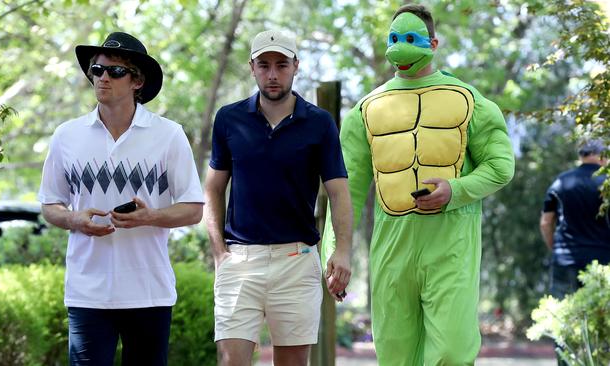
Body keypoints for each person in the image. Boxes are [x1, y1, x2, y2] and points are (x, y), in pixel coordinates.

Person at [321, 4, 515, 365]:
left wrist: (455, 191)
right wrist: (336, 252)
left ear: (434, 43)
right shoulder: (365, 111)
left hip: (450, 247)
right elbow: (345, 189)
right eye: (394, 39)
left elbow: (501, 166)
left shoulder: (470, 102)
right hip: (392, 250)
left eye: (410, 39)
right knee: (395, 353)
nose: (400, 48)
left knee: (452, 353)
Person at [38, 32, 204, 366]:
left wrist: (150, 217)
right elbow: (49, 205)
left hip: (149, 292)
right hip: (87, 293)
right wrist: (72, 219)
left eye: (115, 71)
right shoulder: (66, 136)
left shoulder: (168, 135)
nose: (102, 77)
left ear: (137, 81)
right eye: (97, 69)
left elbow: (194, 209)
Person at [204, 29, 352, 366]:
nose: (273, 74)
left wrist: (342, 250)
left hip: (296, 260)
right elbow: (213, 187)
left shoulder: (319, 123)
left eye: (281, 65)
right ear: (252, 67)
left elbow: (339, 193)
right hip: (239, 261)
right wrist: (218, 253)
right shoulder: (229, 118)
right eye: (264, 65)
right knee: (231, 362)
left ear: (296, 66)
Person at [540, 139, 610, 299]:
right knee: (601, 319)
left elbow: (545, 222)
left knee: (563, 318)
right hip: (603, 262)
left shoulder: (560, 182)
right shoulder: (607, 183)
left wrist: (557, 249)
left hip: (566, 260)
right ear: (602, 155)